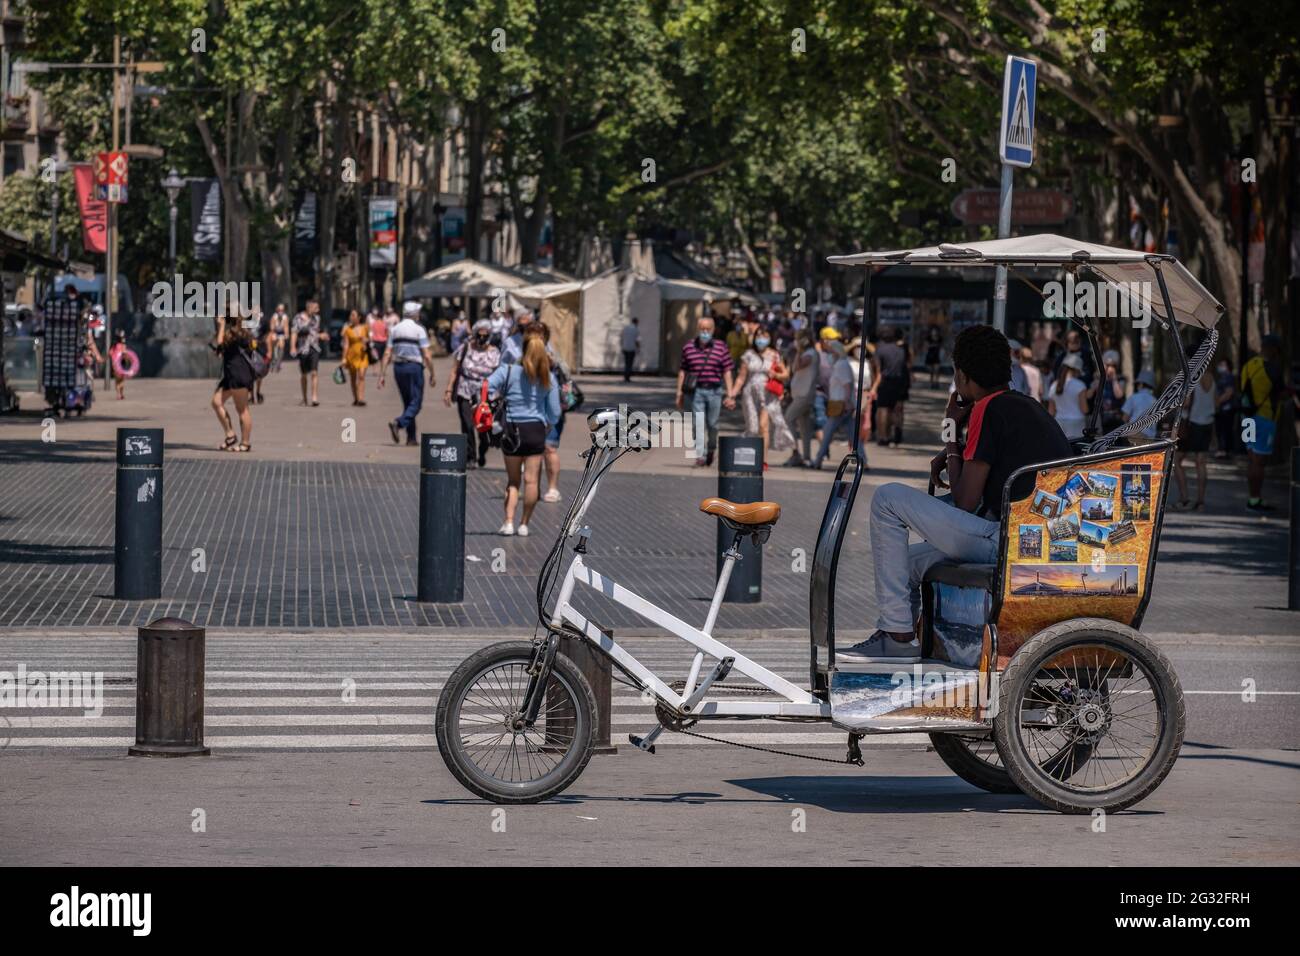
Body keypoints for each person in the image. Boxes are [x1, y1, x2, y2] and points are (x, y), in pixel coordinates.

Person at [839, 324, 1071, 662]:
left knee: (887, 498)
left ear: (961, 376)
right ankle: (909, 634)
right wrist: (955, 452)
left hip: (1002, 541)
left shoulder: (986, 409)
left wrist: (951, 437)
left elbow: (964, 501)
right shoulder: (1023, 405)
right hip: (1027, 537)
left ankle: (897, 634)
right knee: (905, 563)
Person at [487, 334, 561, 536]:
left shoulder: (508, 370)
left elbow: (487, 386)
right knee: (531, 481)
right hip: (535, 430)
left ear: (523, 349)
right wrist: (548, 424)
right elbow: (555, 412)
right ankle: (524, 524)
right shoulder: (548, 377)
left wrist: (495, 400)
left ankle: (508, 521)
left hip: (511, 429)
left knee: (513, 481)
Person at [727, 327, 794, 469]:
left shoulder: (774, 355)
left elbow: (786, 374)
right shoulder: (748, 354)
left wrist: (775, 375)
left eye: (764, 336)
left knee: (764, 426)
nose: (760, 339)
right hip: (750, 393)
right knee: (752, 426)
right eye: (758, 335)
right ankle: (750, 455)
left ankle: (763, 460)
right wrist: (732, 395)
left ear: (770, 338)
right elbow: (741, 378)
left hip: (767, 393)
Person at [676, 315, 736, 467]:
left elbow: (727, 371)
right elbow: (683, 371)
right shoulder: (688, 347)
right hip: (696, 392)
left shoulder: (721, 347)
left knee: (713, 424)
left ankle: (711, 448)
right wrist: (679, 393)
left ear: (713, 330)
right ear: (698, 329)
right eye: (702, 329)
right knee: (698, 423)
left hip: (715, 391)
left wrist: (730, 394)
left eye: (708, 329)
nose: (705, 332)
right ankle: (701, 455)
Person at [445, 318, 500, 468]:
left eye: (485, 335)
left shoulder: (495, 352)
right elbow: (454, 370)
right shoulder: (465, 348)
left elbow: (499, 376)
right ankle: (470, 456)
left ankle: (482, 451)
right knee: (467, 424)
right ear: (474, 334)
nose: (482, 338)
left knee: (484, 428)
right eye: (479, 335)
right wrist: (449, 389)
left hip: (486, 393)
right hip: (465, 389)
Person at [378, 301, 436, 446]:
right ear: (415, 314)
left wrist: (382, 375)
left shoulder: (395, 329)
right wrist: (432, 373)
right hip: (414, 367)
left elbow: (387, 353)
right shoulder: (419, 329)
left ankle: (411, 438)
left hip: (398, 368)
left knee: (408, 402)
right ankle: (398, 423)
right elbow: (427, 355)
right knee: (416, 403)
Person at [1240, 334, 1284, 512]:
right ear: (1273, 349)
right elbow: (1280, 393)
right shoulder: (1273, 369)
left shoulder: (1248, 366)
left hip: (1247, 418)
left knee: (1252, 460)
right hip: (1264, 419)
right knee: (1259, 461)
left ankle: (1252, 497)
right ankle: (1255, 499)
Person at [811, 338, 869, 470]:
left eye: (830, 351)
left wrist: (847, 402)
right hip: (843, 405)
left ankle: (818, 460)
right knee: (853, 436)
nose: (829, 354)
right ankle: (863, 461)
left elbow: (847, 385)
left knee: (827, 433)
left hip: (841, 406)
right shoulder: (841, 364)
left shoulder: (841, 365)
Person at [211, 314, 256, 452]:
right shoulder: (242, 331)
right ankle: (230, 434)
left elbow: (219, 345)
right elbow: (221, 351)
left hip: (238, 375)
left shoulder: (235, 333)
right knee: (216, 402)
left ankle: (245, 443)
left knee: (242, 410)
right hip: (231, 376)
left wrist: (221, 326)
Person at [1173, 363, 1215, 510]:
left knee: (1176, 459)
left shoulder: (1191, 376)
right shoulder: (1211, 376)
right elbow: (1214, 401)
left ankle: (1184, 498)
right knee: (1201, 463)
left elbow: (1186, 403)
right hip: (1208, 423)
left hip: (1191, 424)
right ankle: (1200, 502)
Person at [781, 330, 819, 467]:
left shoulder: (809, 354)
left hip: (804, 396)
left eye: (798, 339)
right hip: (801, 394)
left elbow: (797, 367)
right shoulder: (808, 353)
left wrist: (798, 351)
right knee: (804, 427)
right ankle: (806, 457)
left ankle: (795, 452)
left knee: (788, 419)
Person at [870, 325, 911, 446]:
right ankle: (897, 431)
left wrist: (874, 384)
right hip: (899, 380)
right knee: (897, 408)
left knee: (883, 409)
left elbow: (877, 368)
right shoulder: (900, 349)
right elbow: (907, 364)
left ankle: (883, 436)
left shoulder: (880, 349)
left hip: (885, 380)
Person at [289, 299, 328, 406]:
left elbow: (317, 331)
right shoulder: (298, 318)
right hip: (302, 349)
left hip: (314, 347)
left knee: (314, 372)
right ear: (309, 307)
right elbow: (294, 333)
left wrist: (323, 335)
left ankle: (314, 397)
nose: (318, 310)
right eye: (316, 308)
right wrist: (292, 347)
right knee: (304, 374)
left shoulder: (317, 318)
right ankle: (304, 397)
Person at [1048, 352, 1089, 440]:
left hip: (1059, 422)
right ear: (1076, 370)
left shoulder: (1054, 385)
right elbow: (1084, 409)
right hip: (1076, 423)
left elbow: (1051, 412)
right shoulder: (1080, 385)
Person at [339, 309, 370, 406]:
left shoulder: (365, 328)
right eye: (350, 315)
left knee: (361, 376)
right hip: (351, 356)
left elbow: (370, 339)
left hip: (363, 355)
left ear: (359, 317)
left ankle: (361, 398)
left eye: (353, 315)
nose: (351, 317)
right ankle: (355, 398)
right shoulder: (347, 330)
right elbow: (346, 345)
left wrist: (366, 340)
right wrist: (344, 358)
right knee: (353, 378)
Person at [1122, 369, 1159, 441]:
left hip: (1134, 434)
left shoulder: (1133, 397)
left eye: (1138, 384)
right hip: (1150, 437)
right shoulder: (1155, 401)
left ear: (1141, 384)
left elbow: (1124, 418)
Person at [1097, 350, 1127, 433]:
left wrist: (1114, 379)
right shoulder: (1099, 378)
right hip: (1102, 417)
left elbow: (1119, 395)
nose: (1110, 368)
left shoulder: (1120, 379)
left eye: (1113, 365)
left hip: (1116, 417)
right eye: (1108, 365)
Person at [1213, 356, 1236, 458]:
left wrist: (1217, 402)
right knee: (1220, 429)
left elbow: (1229, 392)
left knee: (1225, 430)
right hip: (1221, 409)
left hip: (1227, 408)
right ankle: (1222, 449)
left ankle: (1225, 451)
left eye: (1222, 365)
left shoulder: (1229, 377)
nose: (1220, 367)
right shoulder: (1222, 378)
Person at [108, 329, 129, 400]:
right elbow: (125, 354)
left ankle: (119, 394)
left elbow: (110, 354)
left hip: (116, 364)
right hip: (121, 364)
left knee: (117, 381)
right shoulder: (122, 345)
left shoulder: (114, 346)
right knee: (121, 380)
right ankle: (121, 394)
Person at [269, 303, 289, 372]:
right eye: (279, 310)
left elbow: (286, 327)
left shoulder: (285, 317)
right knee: (275, 344)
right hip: (275, 332)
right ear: (277, 310)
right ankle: (274, 359)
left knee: (282, 345)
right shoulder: (274, 317)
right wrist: (273, 335)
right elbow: (272, 328)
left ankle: (279, 362)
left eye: (282, 310)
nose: (281, 311)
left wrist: (286, 334)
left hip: (281, 333)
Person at [621, 317, 640, 382]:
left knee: (626, 363)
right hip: (632, 348)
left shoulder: (626, 328)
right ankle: (627, 377)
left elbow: (622, 337)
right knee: (630, 363)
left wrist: (622, 346)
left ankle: (626, 376)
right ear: (636, 322)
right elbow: (637, 340)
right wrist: (638, 348)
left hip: (625, 347)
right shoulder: (636, 329)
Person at [924, 322, 943, 388]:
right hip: (930, 356)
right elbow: (926, 346)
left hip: (937, 355)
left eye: (935, 331)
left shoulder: (940, 338)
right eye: (933, 331)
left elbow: (942, 346)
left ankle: (936, 382)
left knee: (937, 370)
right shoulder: (928, 338)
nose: (934, 332)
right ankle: (932, 383)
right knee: (932, 371)